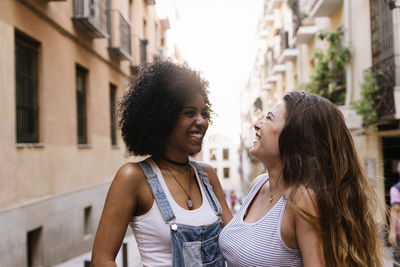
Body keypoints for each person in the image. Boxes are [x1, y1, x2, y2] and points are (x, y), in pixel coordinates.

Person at [91, 60, 232, 267]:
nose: (201, 121)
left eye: (204, 113)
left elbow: (234, 243)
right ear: (163, 119)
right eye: (189, 113)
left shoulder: (207, 175)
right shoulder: (133, 178)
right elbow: (101, 260)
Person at [219, 91, 383, 267]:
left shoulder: (301, 199)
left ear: (294, 136)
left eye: (268, 118)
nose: (257, 124)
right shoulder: (258, 184)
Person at [389, 162, 400, 266]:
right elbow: (395, 210)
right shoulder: (397, 189)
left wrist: (392, 232)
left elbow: (395, 210)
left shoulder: (396, 189)